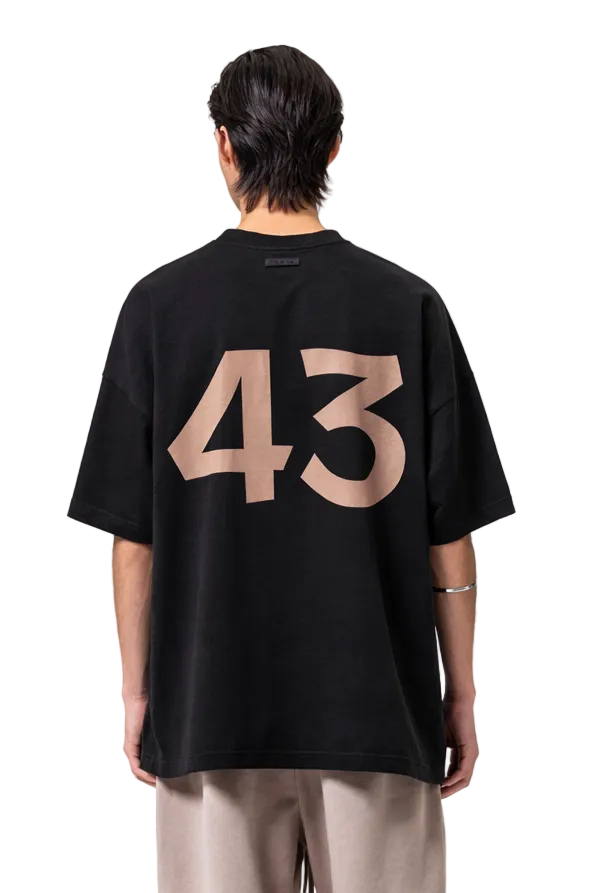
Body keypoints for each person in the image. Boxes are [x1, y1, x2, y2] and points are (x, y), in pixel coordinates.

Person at [68, 45, 514, 893]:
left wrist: (138, 694)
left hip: (210, 713)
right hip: (378, 714)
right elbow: (449, 541)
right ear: (335, 146)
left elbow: (134, 543)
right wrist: (460, 693)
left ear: (224, 145)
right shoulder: (409, 304)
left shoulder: (159, 307)